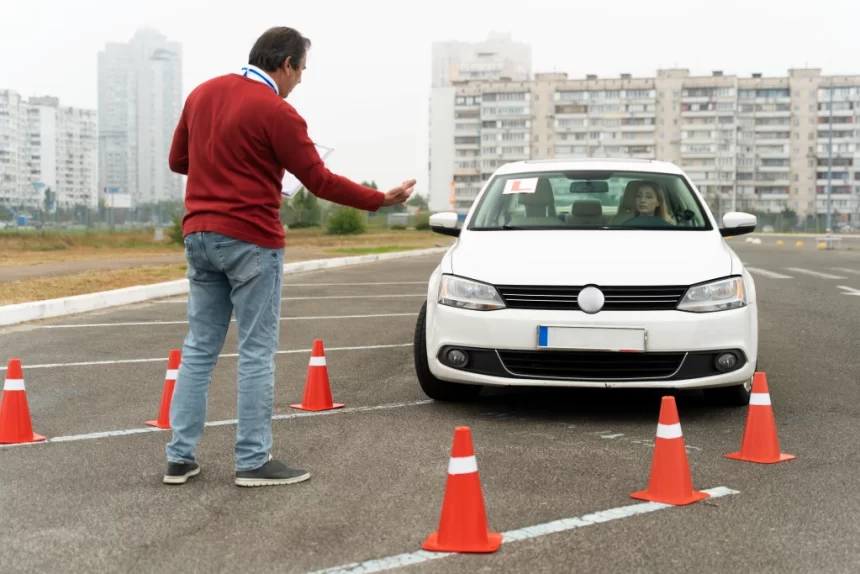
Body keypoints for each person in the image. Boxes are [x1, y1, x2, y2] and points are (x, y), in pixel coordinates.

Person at [163, 26, 414, 487]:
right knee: (256, 352)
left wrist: (225, 167)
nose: (300, 80)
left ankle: (179, 458)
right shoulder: (278, 111)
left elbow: (178, 161)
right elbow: (319, 180)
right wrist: (380, 199)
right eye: (301, 71)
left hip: (199, 235)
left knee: (199, 349)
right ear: (285, 64)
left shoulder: (202, 94)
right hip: (251, 240)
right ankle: (252, 461)